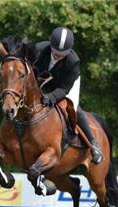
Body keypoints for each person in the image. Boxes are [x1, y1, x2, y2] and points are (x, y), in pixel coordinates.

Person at [34, 27, 103, 164]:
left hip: (64, 84)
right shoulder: (38, 49)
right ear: (50, 45)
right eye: (56, 52)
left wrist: (51, 97)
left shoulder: (73, 61)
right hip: (44, 81)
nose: (59, 56)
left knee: (72, 106)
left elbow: (64, 89)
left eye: (62, 53)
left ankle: (93, 143)